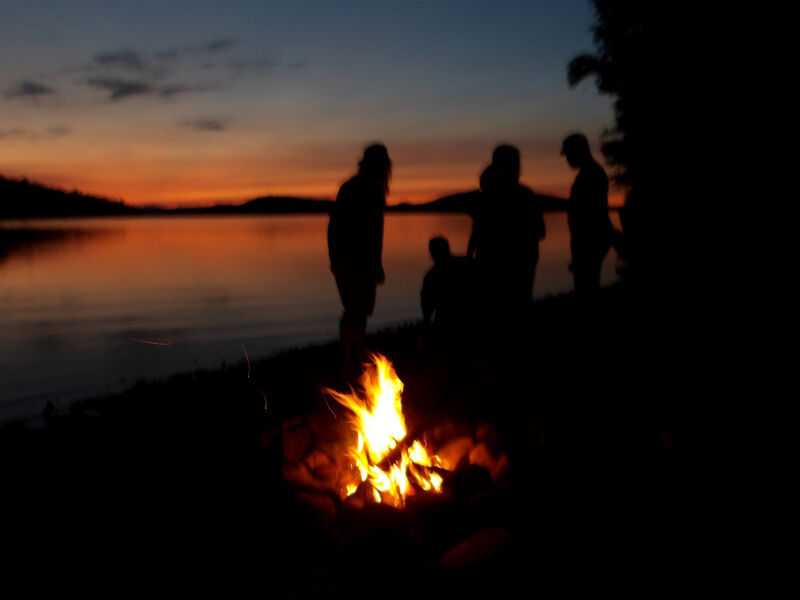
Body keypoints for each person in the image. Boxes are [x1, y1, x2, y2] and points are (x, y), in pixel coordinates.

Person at [327, 143, 391, 372]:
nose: (383, 166)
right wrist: (336, 260)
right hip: (348, 261)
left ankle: (357, 357)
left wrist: (377, 263)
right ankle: (348, 359)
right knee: (353, 310)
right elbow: (335, 226)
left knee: (361, 311)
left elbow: (375, 233)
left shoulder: (376, 190)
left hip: (366, 263)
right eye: (380, 161)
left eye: (385, 162)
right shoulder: (352, 189)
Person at [469, 145, 545, 314]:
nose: (519, 169)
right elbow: (540, 232)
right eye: (516, 164)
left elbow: (478, 233)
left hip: (508, 268)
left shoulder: (492, 198)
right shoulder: (522, 195)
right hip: (509, 267)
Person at [562, 133, 615, 294]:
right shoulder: (590, 172)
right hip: (588, 242)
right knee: (587, 285)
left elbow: (590, 212)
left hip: (590, 241)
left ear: (578, 151)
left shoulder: (591, 174)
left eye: (568, 153)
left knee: (587, 287)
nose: (567, 159)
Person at [421, 236, 474, 337]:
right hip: (469, 317)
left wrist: (426, 322)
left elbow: (426, 304)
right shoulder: (467, 263)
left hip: (447, 319)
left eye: (432, 251)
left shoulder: (431, 275)